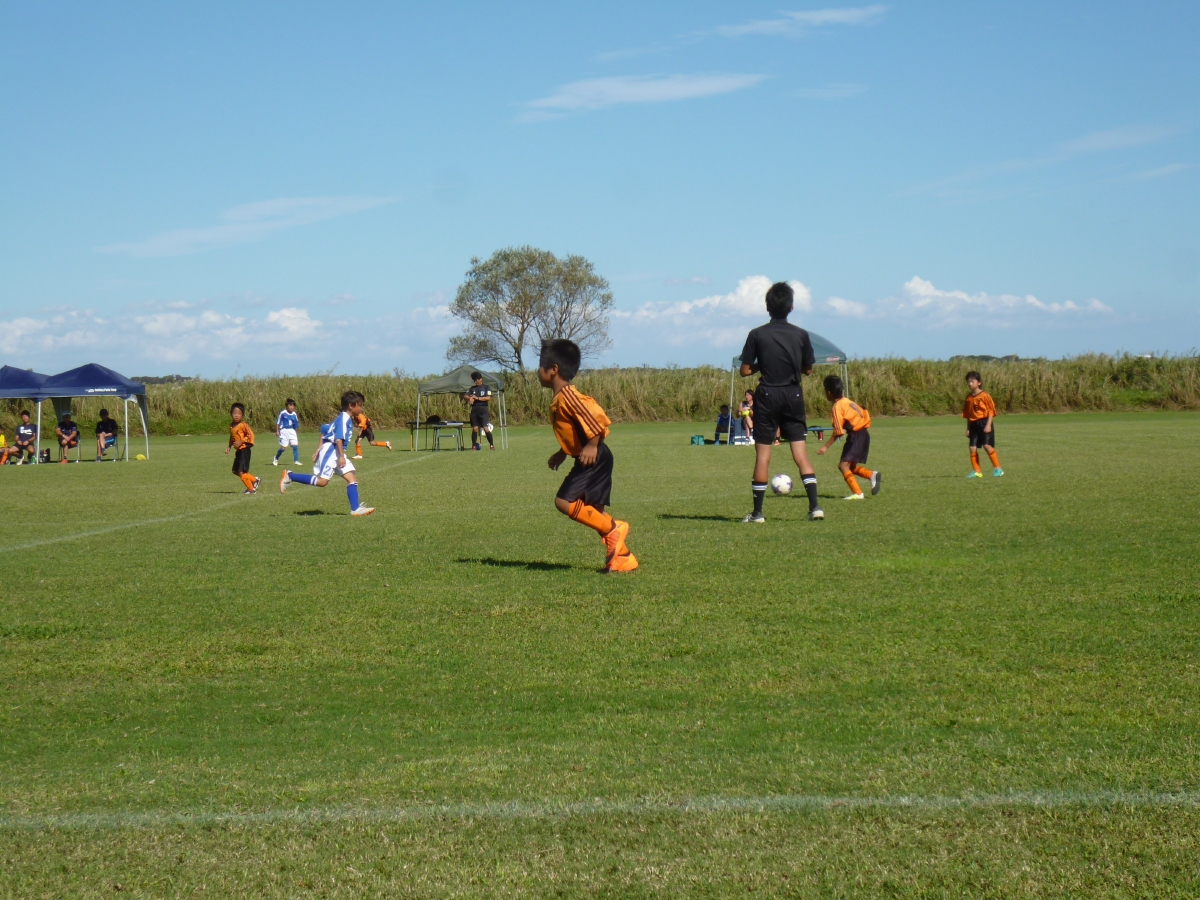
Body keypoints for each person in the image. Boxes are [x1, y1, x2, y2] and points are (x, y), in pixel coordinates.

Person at [539, 339, 637, 573]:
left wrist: (592, 445)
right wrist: (563, 452)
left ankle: (614, 530)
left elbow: (594, 416)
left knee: (564, 501)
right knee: (594, 511)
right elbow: (574, 431)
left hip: (595, 457)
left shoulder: (568, 396)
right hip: (594, 456)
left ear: (553, 370)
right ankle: (623, 558)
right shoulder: (560, 397)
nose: (538, 371)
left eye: (541, 366)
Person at [738, 281, 823, 524]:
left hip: (767, 395)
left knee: (763, 456)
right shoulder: (801, 334)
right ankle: (815, 507)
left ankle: (757, 514)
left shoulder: (756, 334)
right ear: (791, 307)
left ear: (767, 307)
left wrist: (762, 365)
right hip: (793, 394)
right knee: (800, 454)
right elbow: (808, 370)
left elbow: (745, 371)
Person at [280, 390, 375, 516]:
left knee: (352, 479)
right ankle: (290, 476)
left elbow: (324, 429)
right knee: (322, 482)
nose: (361, 408)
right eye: (360, 405)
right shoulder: (343, 419)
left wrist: (319, 449)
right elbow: (338, 439)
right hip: (332, 452)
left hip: (336, 452)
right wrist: (340, 456)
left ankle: (355, 509)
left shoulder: (343, 418)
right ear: (351, 406)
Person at [817, 375, 881, 500]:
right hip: (864, 434)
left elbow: (838, 432)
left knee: (843, 466)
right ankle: (871, 475)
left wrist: (825, 447)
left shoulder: (837, 407)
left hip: (856, 436)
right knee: (851, 467)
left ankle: (858, 493)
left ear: (829, 393)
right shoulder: (847, 401)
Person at [963, 371, 1003, 478]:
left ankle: (998, 468)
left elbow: (991, 411)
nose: (970, 384)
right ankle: (977, 471)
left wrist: (988, 424)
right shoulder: (968, 398)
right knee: (972, 448)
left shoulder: (985, 396)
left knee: (987, 446)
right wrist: (968, 428)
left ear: (979, 382)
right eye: (968, 382)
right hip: (973, 424)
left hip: (984, 422)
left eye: (972, 381)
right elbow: (968, 414)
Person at [225, 403, 260, 494]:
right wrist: (229, 446)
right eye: (234, 413)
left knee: (241, 471)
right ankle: (254, 480)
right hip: (239, 451)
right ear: (231, 413)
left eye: (239, 413)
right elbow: (232, 437)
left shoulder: (243, 425)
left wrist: (241, 441)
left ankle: (251, 489)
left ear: (242, 415)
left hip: (244, 450)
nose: (236, 415)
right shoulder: (232, 425)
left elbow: (250, 435)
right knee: (235, 471)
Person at [465, 372, 495, 450]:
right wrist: (470, 398)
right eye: (474, 381)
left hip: (483, 409)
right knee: (475, 428)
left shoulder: (486, 387)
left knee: (485, 428)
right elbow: (465, 396)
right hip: (475, 410)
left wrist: (477, 398)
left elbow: (488, 398)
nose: (475, 382)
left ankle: (491, 445)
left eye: (476, 380)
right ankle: (474, 445)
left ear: (480, 379)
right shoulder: (472, 388)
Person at [273, 399, 301, 466]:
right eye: (290, 405)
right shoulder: (283, 413)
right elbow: (278, 422)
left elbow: (295, 424)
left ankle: (296, 461)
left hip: (292, 430)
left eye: (293, 406)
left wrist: (295, 432)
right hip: (284, 431)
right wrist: (277, 431)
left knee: (295, 446)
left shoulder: (294, 414)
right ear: (287, 406)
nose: (292, 407)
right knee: (283, 448)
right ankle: (276, 458)